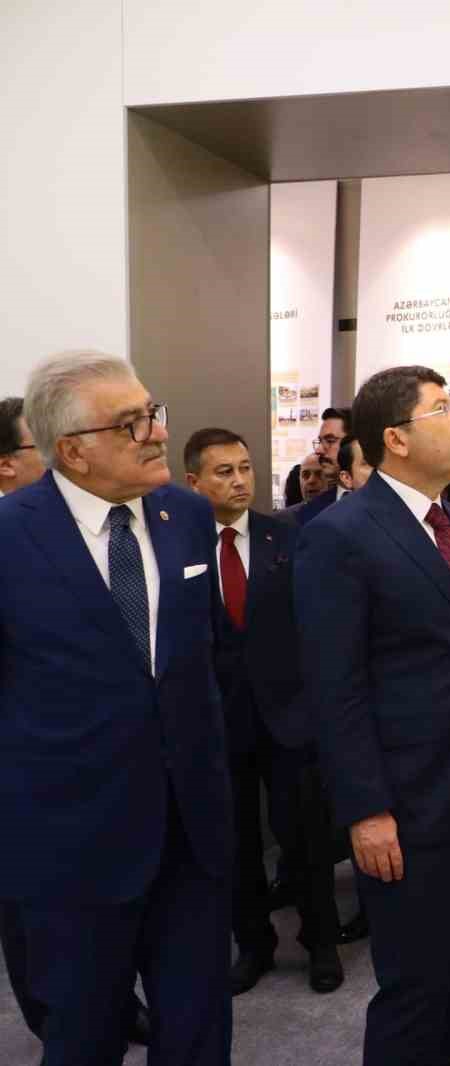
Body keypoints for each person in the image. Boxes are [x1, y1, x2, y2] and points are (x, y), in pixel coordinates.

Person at [0, 351, 231, 1063]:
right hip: (71, 847)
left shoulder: (187, 515)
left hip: (191, 834)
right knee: (83, 1036)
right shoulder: (9, 537)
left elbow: (209, 661)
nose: (158, 433)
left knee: (198, 1032)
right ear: (73, 450)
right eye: (132, 423)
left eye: (151, 413)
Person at [296, 365, 450, 1065]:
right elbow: (335, 688)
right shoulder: (341, 535)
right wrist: (365, 810)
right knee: (415, 988)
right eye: (442, 409)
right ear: (395, 439)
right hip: (405, 805)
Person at [1, 394, 154, 1052]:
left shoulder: (119, 530)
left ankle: (114, 1003)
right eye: (39, 449)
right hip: (32, 794)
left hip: (118, 787)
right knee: (43, 939)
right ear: (9, 465)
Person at [183, 427, 345, 996]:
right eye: (224, 471)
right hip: (218, 720)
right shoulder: (179, 547)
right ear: (194, 482)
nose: (239, 480)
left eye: (245, 468)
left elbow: (319, 624)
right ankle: (253, 943)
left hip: (290, 716)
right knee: (234, 843)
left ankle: (321, 942)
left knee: (306, 838)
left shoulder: (289, 535)